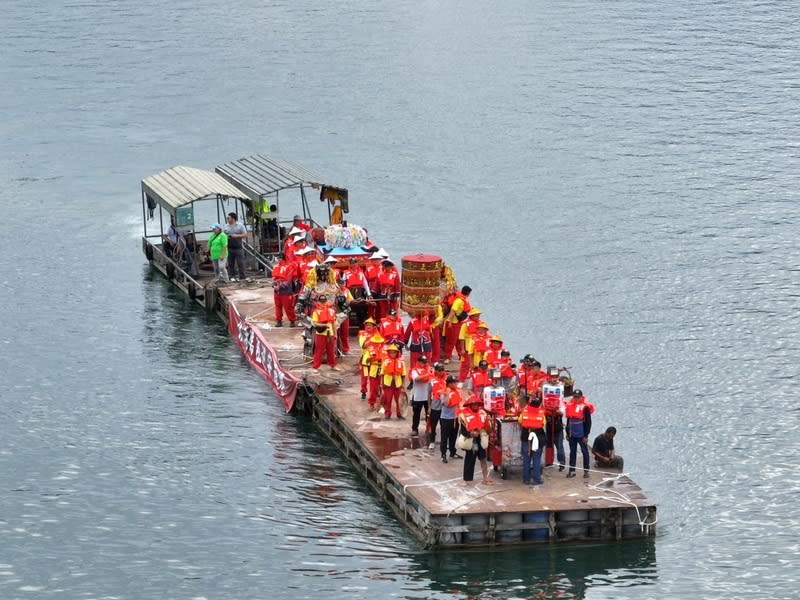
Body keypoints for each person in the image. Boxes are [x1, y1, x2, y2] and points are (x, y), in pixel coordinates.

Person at [458, 395, 493, 485]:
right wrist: (471, 434)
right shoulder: (464, 415)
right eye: (473, 404)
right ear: (470, 405)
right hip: (472, 441)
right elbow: (463, 431)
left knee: (483, 459)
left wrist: (489, 422)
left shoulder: (483, 414)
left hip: (481, 439)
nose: (475, 406)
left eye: (477, 404)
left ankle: (485, 478)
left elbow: (489, 430)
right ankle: (465, 479)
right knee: (469, 460)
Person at [565, 389, 595, 478]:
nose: (576, 398)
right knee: (572, 452)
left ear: (581, 397)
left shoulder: (585, 408)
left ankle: (586, 471)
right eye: (575, 397)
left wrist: (586, 435)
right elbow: (568, 420)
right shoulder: (570, 406)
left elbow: (588, 422)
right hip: (572, 433)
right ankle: (572, 470)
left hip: (581, 434)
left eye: (578, 397)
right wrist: (567, 432)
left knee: (584, 452)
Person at [519, 396, 547, 485]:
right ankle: (537, 480)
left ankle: (526, 479)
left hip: (526, 439)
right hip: (537, 439)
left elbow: (520, 421)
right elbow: (543, 423)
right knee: (536, 459)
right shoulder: (541, 414)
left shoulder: (524, 412)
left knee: (526, 459)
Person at [443, 285, 472, 363]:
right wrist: (449, 322)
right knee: (451, 341)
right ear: (468, 293)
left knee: (460, 340)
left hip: (460, 323)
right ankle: (447, 358)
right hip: (453, 323)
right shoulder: (459, 301)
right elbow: (453, 311)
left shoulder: (464, 299)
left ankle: (460, 356)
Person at [310, 295, 338, 370]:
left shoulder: (331, 311)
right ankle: (315, 367)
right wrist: (324, 325)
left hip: (330, 333)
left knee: (331, 351)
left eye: (324, 301)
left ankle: (333, 365)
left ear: (326, 301)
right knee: (319, 351)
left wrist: (335, 334)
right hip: (320, 334)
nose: (323, 303)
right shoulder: (316, 311)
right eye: (321, 301)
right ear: (318, 302)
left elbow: (333, 324)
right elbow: (315, 323)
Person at [271, 253, 298, 327]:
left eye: (278, 258)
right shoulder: (275, 266)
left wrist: (280, 286)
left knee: (288, 307)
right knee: (278, 306)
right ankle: (278, 320)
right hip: (277, 290)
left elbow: (288, 280)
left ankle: (292, 320)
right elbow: (273, 277)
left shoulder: (289, 267)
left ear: (281, 258)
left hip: (286, 290)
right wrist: (274, 285)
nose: (277, 260)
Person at [439, 375, 462, 462]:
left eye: (456, 382)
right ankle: (443, 454)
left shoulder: (457, 391)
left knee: (453, 436)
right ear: (449, 384)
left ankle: (453, 452)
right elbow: (445, 404)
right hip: (446, 418)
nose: (455, 384)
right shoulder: (444, 393)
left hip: (455, 418)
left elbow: (459, 403)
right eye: (454, 383)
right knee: (444, 437)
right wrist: (448, 394)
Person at [380, 344, 406, 419]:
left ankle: (399, 414)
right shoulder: (385, 361)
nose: (392, 354)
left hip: (398, 384)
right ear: (388, 353)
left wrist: (403, 385)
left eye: (394, 352)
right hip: (388, 384)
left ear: (397, 353)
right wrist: (382, 384)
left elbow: (403, 375)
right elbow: (382, 373)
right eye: (391, 352)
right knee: (388, 400)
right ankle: (387, 414)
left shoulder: (401, 362)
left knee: (399, 400)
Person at [409, 355, 433, 436]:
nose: (424, 364)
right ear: (418, 362)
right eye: (422, 362)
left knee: (429, 414)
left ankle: (429, 428)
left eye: (425, 362)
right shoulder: (414, 370)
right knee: (416, 414)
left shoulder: (429, 369)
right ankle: (414, 429)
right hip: (417, 396)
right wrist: (427, 375)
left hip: (427, 396)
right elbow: (416, 379)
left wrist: (430, 373)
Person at [357, 319, 378, 400]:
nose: (368, 326)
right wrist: (372, 339)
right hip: (365, 360)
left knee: (374, 379)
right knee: (364, 378)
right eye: (367, 325)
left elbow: (380, 345)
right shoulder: (362, 334)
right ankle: (363, 392)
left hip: (375, 359)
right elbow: (363, 345)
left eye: (370, 325)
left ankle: (375, 393)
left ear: (373, 327)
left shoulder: (377, 334)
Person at [428, 362, 447, 450]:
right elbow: (428, 394)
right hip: (435, 405)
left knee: (444, 426)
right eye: (439, 370)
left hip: (445, 406)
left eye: (442, 370)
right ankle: (432, 442)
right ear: (436, 371)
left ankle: (444, 443)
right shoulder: (432, 381)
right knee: (433, 425)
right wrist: (429, 407)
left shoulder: (447, 380)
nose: (441, 372)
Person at [224, 212, 248, 282]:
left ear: (233, 218)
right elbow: (222, 235)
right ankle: (232, 276)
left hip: (238, 247)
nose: (227, 219)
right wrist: (227, 237)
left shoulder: (240, 225)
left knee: (240, 263)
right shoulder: (226, 226)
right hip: (229, 247)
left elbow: (245, 235)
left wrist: (236, 236)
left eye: (229, 218)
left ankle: (242, 277)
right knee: (230, 263)